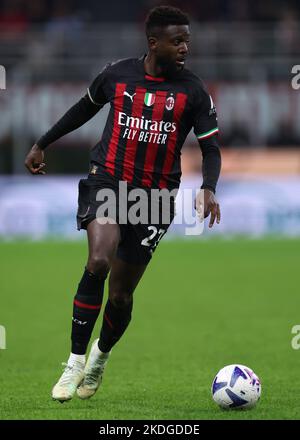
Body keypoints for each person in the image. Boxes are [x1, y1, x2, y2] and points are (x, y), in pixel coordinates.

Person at [24, 5, 221, 403]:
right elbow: (83, 109)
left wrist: (209, 187)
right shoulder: (118, 74)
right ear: (154, 42)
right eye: (177, 40)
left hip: (156, 197)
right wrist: (42, 142)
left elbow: (210, 147)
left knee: (121, 294)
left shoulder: (194, 91)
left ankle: (100, 357)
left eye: (187, 40)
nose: (185, 47)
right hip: (109, 181)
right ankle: (74, 361)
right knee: (98, 260)